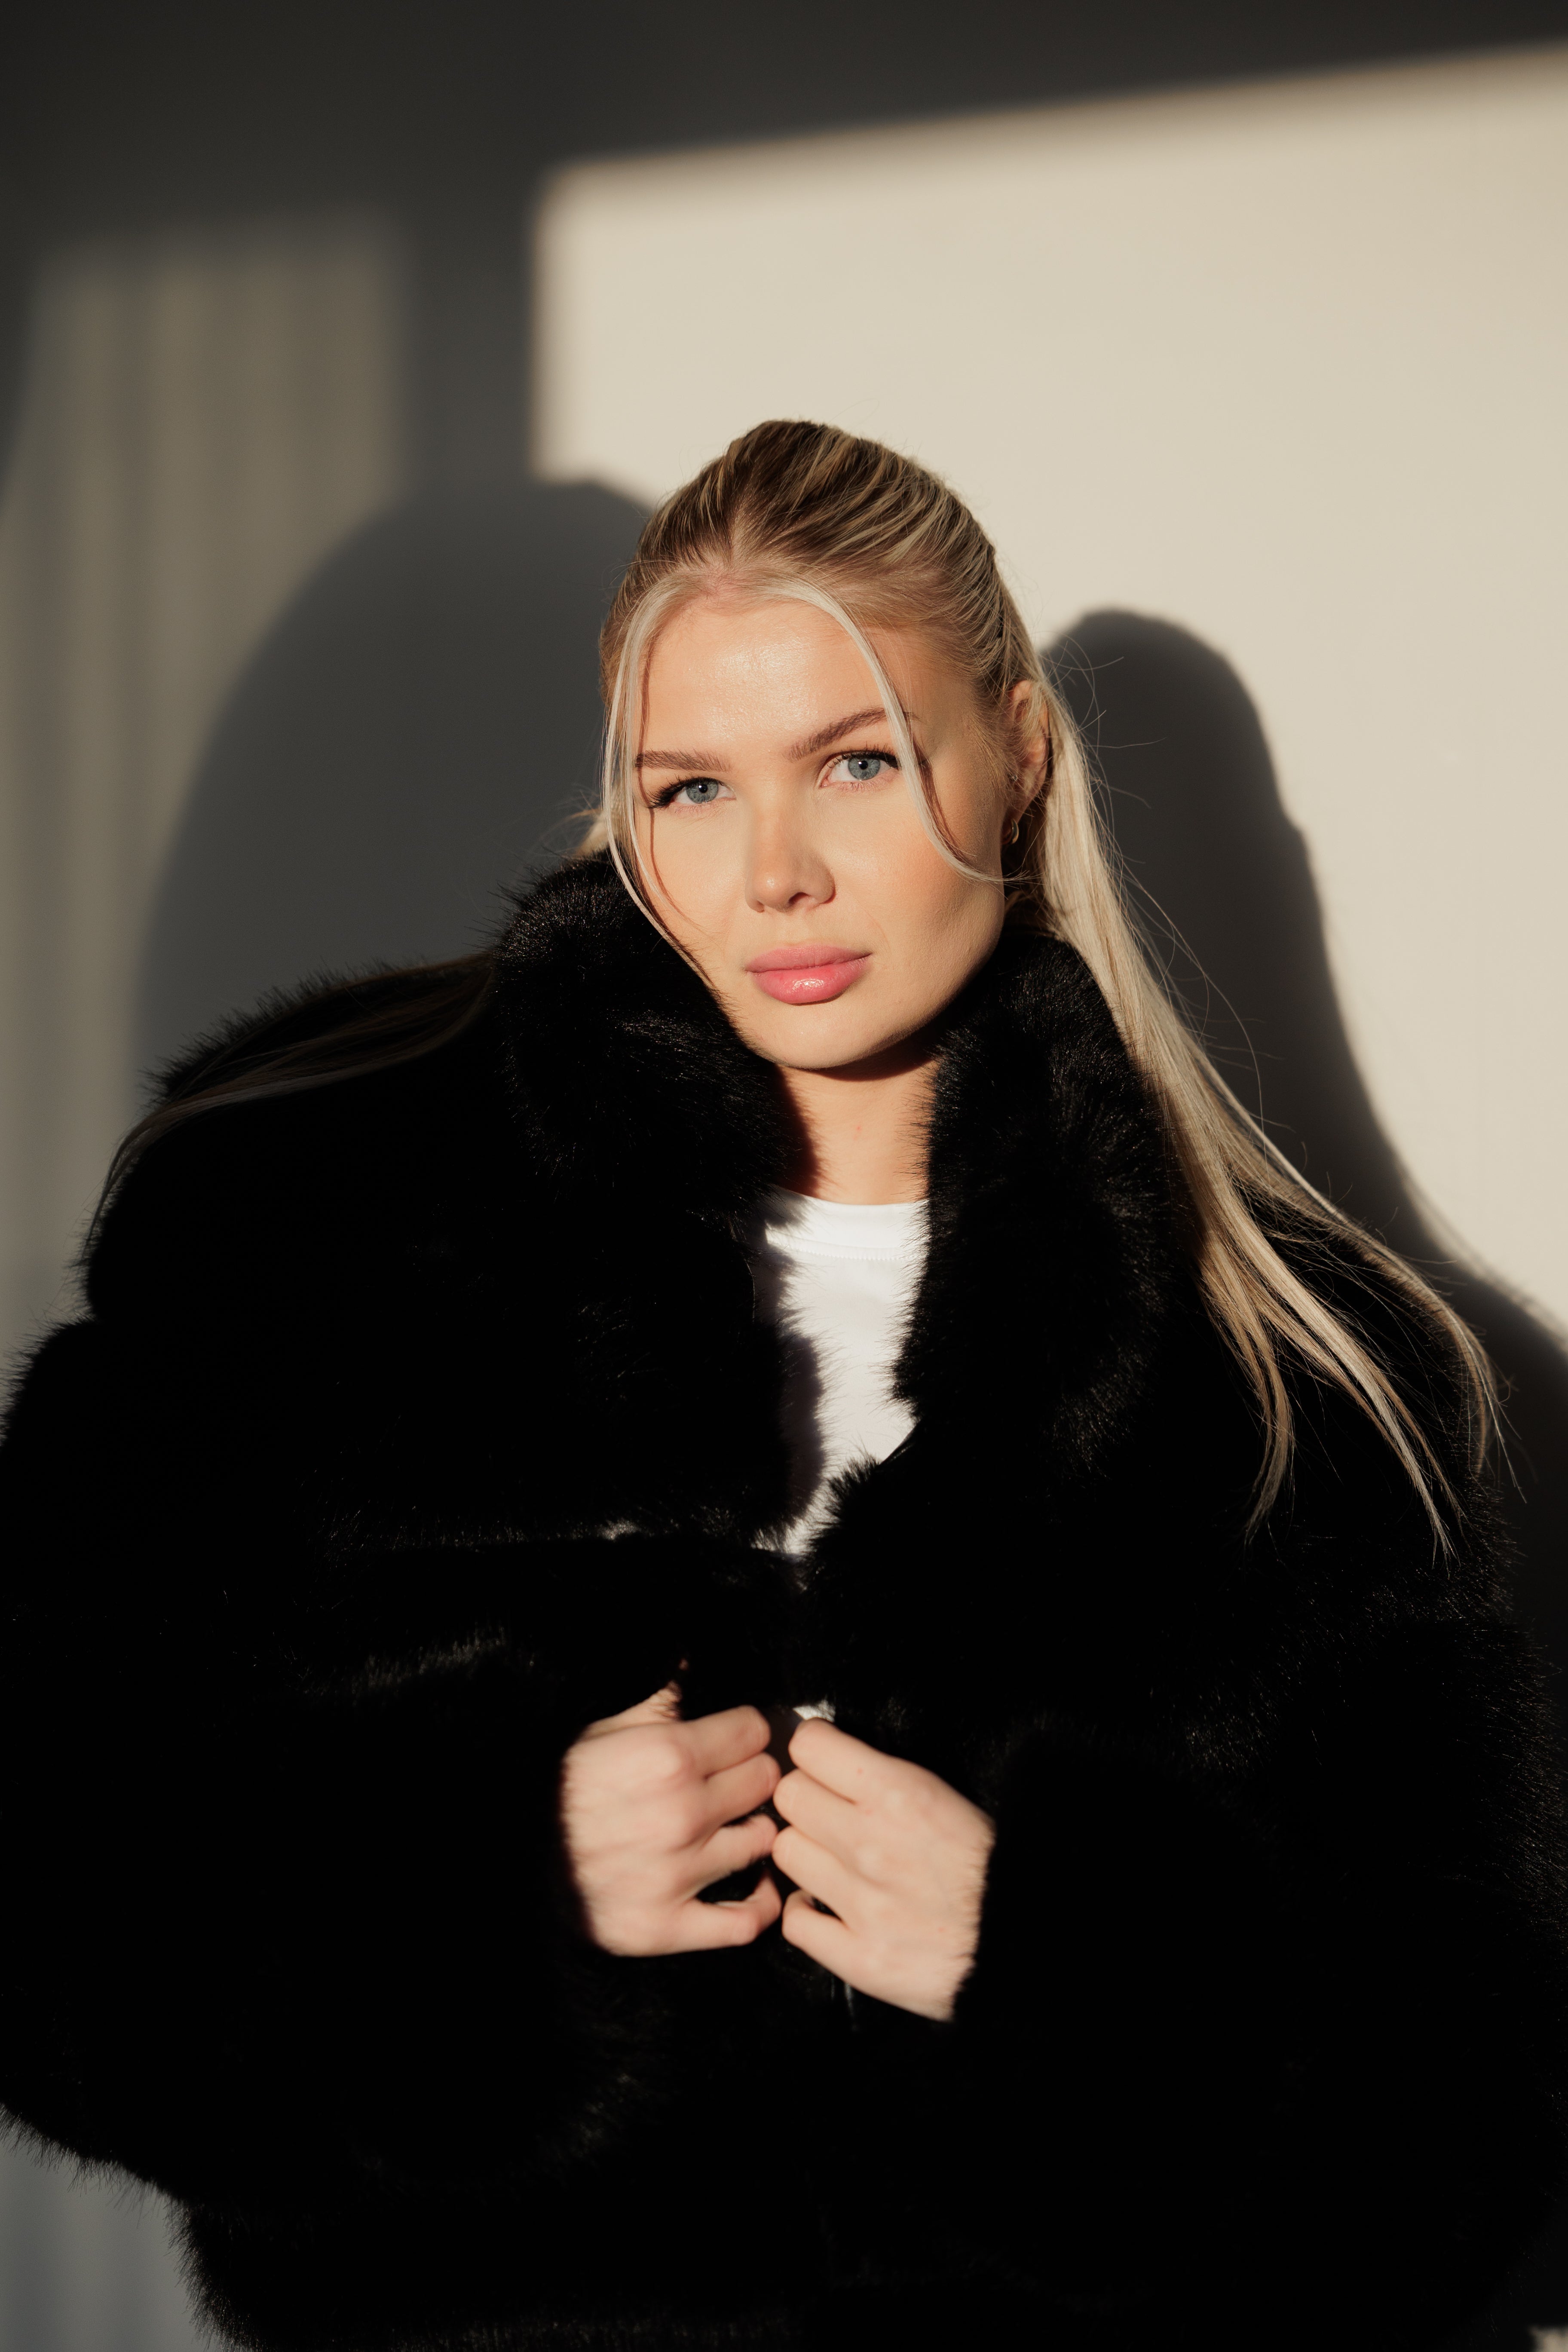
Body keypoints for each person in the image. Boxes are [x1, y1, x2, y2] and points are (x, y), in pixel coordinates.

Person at [0, 419, 1563, 2352]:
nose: (778, 875)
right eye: (693, 787)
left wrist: (1051, 1968)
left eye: (859, 762)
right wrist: (490, 1896)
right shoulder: (305, 1235)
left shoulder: (1317, 1397)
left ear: (1019, 754)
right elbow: (45, 1916)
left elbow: (1467, 2148)